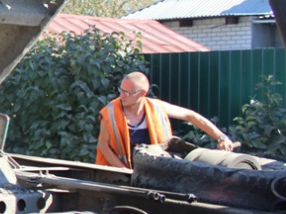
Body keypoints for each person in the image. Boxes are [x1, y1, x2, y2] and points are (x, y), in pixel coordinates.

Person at [96, 71, 236, 169]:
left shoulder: (157, 107)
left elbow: (191, 116)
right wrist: (125, 172)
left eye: (128, 92)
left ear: (142, 93)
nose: (122, 96)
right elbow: (103, 145)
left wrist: (221, 137)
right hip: (117, 176)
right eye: (121, 90)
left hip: (154, 173)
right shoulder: (110, 112)